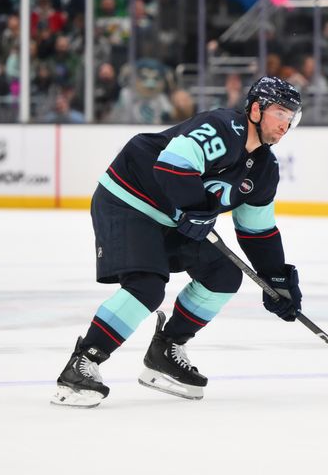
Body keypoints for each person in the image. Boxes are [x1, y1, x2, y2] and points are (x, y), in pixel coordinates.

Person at [51, 77, 304, 407]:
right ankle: (82, 363)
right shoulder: (223, 128)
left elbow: (258, 232)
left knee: (224, 275)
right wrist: (196, 208)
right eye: (280, 113)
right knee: (147, 287)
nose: (285, 125)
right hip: (129, 200)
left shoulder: (265, 170)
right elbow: (173, 166)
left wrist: (277, 279)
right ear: (256, 110)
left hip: (176, 219)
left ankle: (166, 350)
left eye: (292, 117)